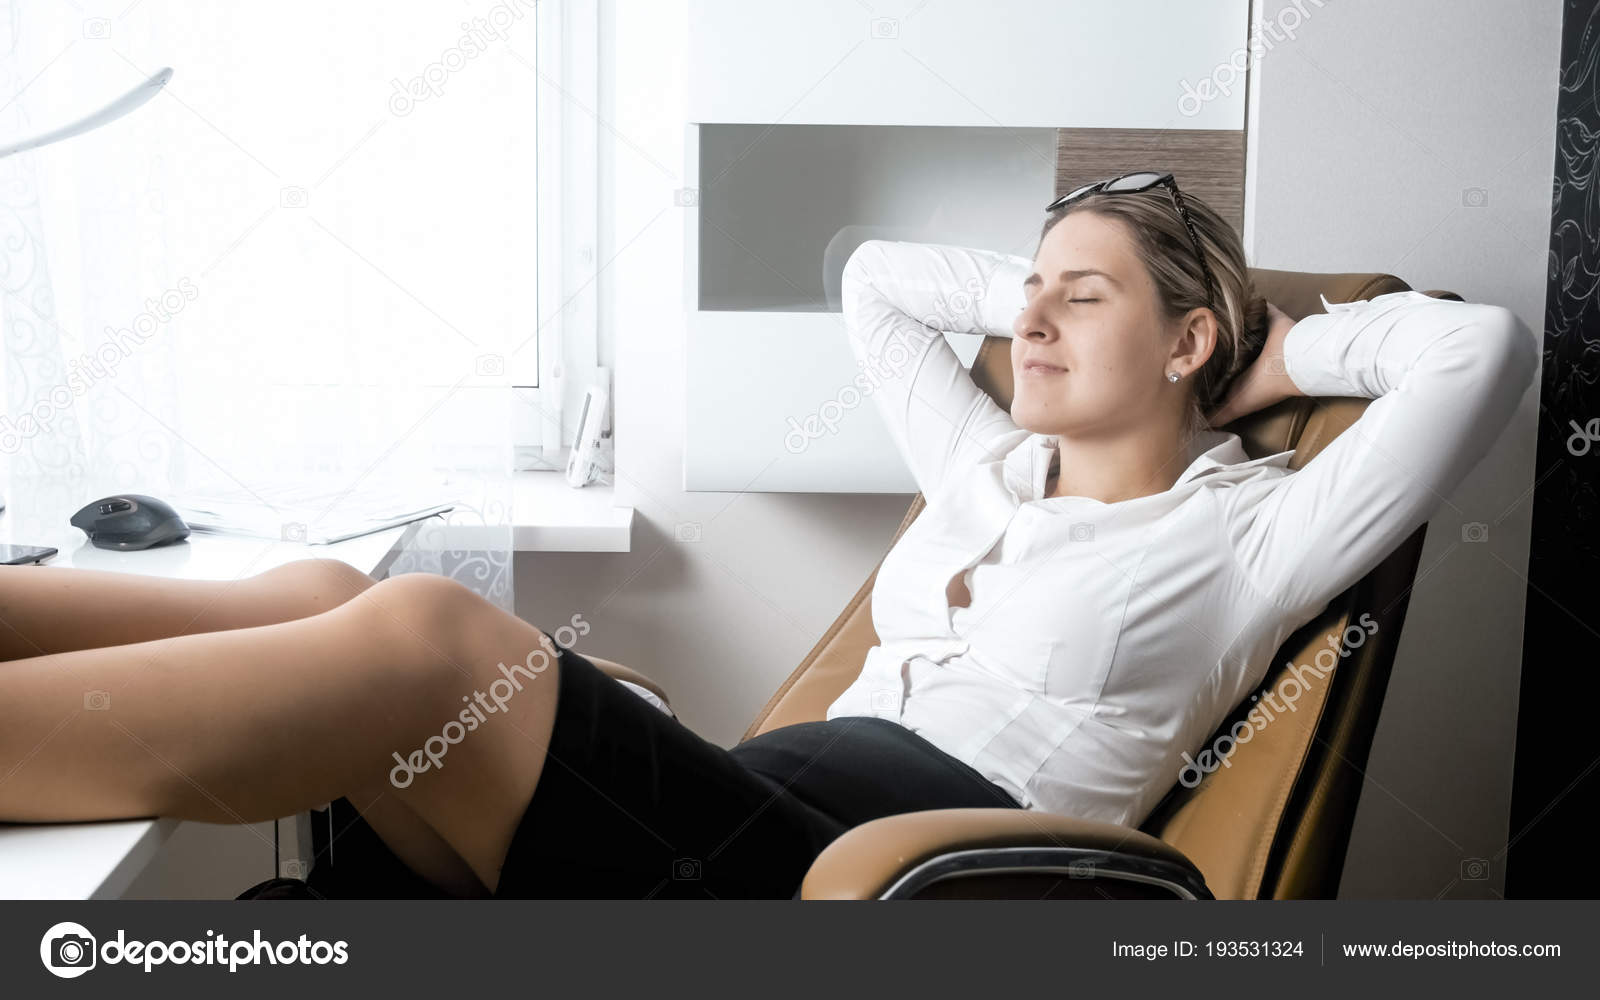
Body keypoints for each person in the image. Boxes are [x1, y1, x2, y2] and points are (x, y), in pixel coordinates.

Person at [0, 173, 1537, 899]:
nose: (1030, 316)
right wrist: (1084, 265)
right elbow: (873, 274)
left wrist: (1271, 352)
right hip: (741, 805)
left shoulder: (1252, 534)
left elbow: (1477, 354)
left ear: (1191, 339)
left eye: (1086, 298)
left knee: (424, 641)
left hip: (876, 880)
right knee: (339, 589)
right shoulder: (986, 468)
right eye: (1031, 287)